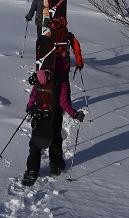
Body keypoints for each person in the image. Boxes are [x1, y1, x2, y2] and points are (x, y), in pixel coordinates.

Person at [22, 49, 85, 186]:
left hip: (39, 113)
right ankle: (56, 166)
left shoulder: (40, 77)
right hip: (54, 114)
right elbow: (64, 103)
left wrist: (29, 106)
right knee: (55, 139)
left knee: (35, 142)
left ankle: (32, 171)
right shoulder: (62, 81)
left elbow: (34, 94)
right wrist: (75, 114)